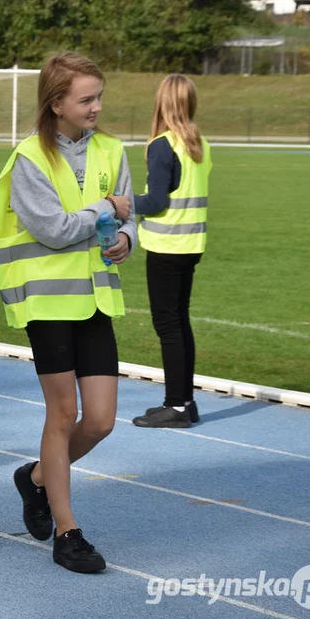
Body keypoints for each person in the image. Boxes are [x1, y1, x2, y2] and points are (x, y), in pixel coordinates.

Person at [0, 51, 136, 573]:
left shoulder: (114, 151)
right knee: (62, 414)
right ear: (56, 103)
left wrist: (124, 238)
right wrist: (104, 211)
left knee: (100, 421)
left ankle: (35, 480)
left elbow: (128, 216)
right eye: (86, 98)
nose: (97, 107)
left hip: (94, 298)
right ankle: (68, 532)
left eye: (99, 96)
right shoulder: (30, 157)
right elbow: (53, 229)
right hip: (47, 301)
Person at [132, 75, 212, 429]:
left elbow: (155, 201)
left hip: (166, 246)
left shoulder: (163, 145)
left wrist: (119, 202)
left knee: (168, 325)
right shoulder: (199, 143)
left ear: (162, 103)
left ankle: (176, 405)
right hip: (190, 244)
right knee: (180, 321)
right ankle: (185, 401)